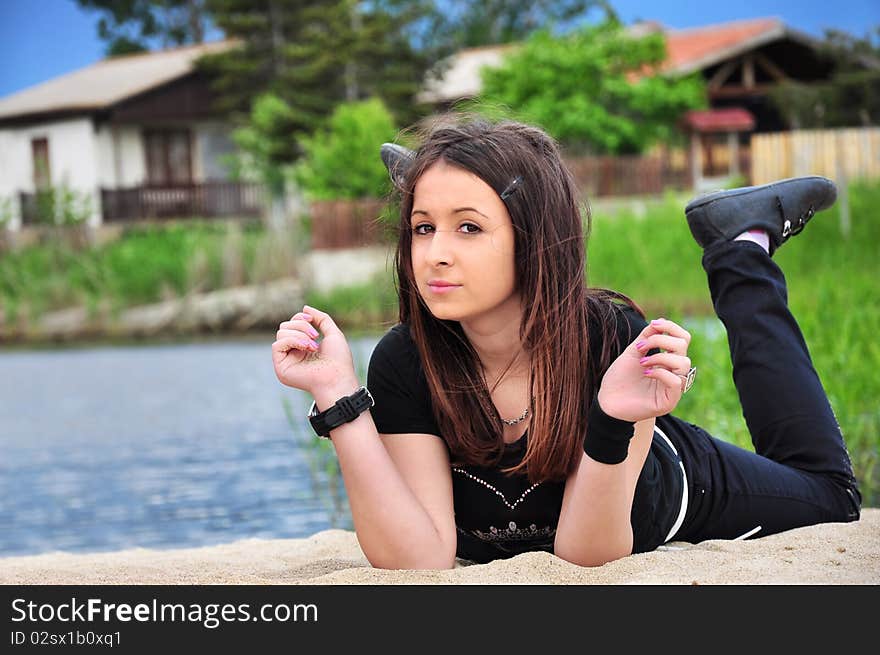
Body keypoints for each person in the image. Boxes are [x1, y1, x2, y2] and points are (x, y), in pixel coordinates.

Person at [271, 116, 861, 569]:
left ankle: (741, 247)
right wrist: (337, 394)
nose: (433, 255)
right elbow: (420, 559)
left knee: (831, 498)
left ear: (534, 239)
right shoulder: (407, 358)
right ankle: (462, 180)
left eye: (467, 228)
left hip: (667, 483)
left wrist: (613, 417)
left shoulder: (608, 338)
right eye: (423, 227)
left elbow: (588, 557)